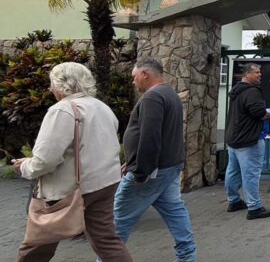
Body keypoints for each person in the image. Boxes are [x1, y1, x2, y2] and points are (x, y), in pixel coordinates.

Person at [13, 62, 132, 262]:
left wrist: (24, 166)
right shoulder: (101, 107)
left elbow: (45, 160)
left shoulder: (61, 110)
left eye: (52, 84)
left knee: (37, 243)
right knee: (107, 241)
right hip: (104, 183)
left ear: (61, 85)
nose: (50, 89)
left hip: (70, 189)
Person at [115, 57, 196, 262]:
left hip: (152, 171)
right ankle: (187, 257)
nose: (133, 81)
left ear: (145, 74)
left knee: (118, 220)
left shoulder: (152, 97)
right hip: (168, 166)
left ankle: (107, 258)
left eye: (134, 76)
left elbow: (150, 138)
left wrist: (140, 171)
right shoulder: (169, 93)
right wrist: (132, 161)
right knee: (175, 210)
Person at [225, 63, 270, 220]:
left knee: (233, 172)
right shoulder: (252, 92)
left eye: (260, 72)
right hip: (249, 140)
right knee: (251, 174)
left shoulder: (236, 90)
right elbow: (259, 113)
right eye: (256, 72)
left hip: (234, 139)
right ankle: (254, 207)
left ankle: (234, 201)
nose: (260, 74)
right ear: (247, 74)